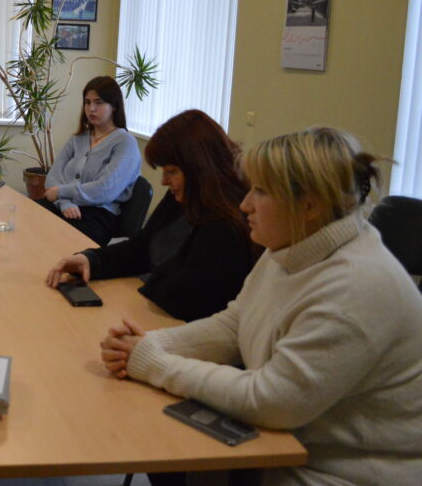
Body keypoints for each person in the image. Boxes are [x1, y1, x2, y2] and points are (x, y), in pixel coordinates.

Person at [100, 128, 422, 486]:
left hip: (336, 473)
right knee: (162, 446)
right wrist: (150, 345)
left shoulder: (354, 286)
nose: (245, 204)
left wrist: (155, 364)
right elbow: (234, 325)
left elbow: (272, 400)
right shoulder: (291, 245)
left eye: (261, 191)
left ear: (310, 206)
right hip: (284, 449)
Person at [46, 110, 257, 322]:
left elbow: (188, 299)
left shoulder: (227, 224)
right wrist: (91, 259)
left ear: (198, 168)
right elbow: (142, 247)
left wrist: (151, 282)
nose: (164, 181)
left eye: (171, 171)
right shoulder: (186, 196)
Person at [38, 75, 141, 246]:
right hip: (64, 206)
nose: (91, 109)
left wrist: (61, 192)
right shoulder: (77, 139)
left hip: (98, 215)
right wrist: (64, 203)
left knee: (49, 241)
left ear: (114, 106)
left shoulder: (125, 142)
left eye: (98, 102)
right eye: (87, 102)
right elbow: (53, 177)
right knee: (25, 218)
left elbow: (105, 190)